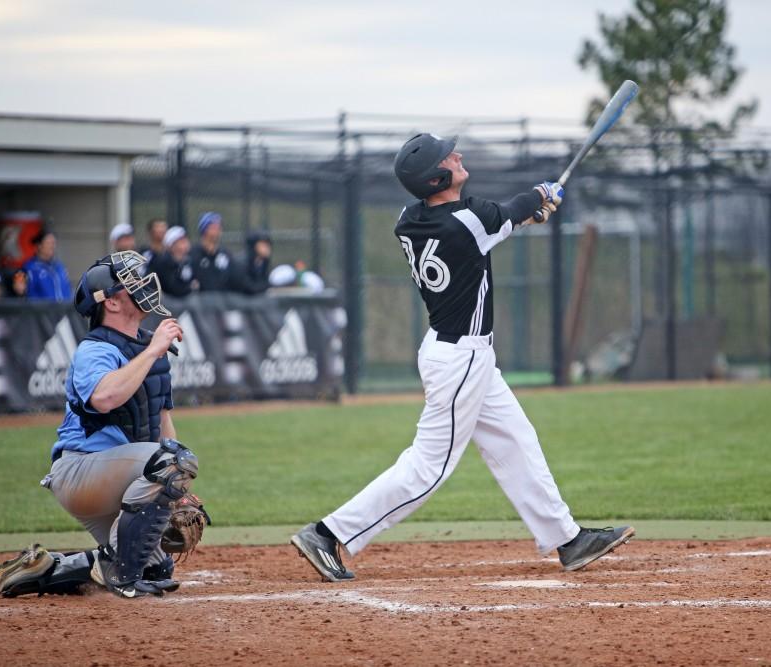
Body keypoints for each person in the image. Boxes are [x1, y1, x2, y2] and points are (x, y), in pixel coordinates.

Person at [291, 134, 634, 582]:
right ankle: (327, 532)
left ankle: (567, 538)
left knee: (516, 440)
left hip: (456, 352)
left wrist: (528, 214)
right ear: (435, 177)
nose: (457, 156)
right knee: (427, 468)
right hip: (460, 358)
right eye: (447, 157)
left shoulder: (410, 218)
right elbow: (499, 215)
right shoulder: (466, 221)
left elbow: (490, 225)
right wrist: (543, 195)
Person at [0, 251, 203, 599]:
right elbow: (104, 398)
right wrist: (153, 350)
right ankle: (119, 575)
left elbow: (162, 426)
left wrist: (179, 493)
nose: (142, 286)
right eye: (130, 283)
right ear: (109, 303)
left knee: (156, 567)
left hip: (122, 479)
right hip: (81, 473)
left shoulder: (148, 348)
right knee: (173, 463)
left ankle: (44, 568)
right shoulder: (94, 349)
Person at [23, 229, 72, 301]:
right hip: (42, 311)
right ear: (39, 245)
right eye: (48, 243)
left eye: (54, 243)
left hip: (64, 311)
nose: (52, 246)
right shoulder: (30, 268)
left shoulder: (59, 267)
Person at [149, 226, 197, 298]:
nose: (186, 243)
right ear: (172, 245)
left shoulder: (189, 260)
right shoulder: (163, 262)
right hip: (168, 300)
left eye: (185, 240)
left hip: (185, 299)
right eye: (181, 241)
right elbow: (173, 288)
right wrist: (190, 287)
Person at [190, 211, 233, 292]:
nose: (218, 230)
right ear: (204, 229)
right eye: (213, 227)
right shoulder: (193, 253)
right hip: (200, 301)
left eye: (219, 226)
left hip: (223, 301)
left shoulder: (226, 254)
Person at [236, 230, 272, 294]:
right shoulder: (241, 263)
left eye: (268, 244)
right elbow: (248, 288)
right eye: (263, 244)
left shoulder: (263, 262)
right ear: (253, 245)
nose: (267, 247)